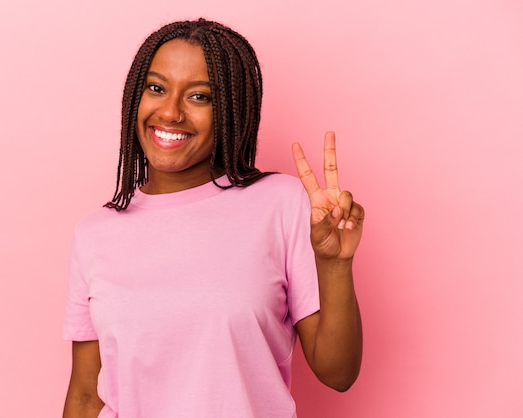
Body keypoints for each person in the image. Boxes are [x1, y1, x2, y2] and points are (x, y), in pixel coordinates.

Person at [62, 18, 364, 418]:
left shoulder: (281, 204)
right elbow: (86, 397)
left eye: (199, 97)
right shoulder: (94, 235)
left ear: (231, 110)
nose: (169, 112)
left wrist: (335, 265)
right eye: (156, 88)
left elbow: (337, 373)